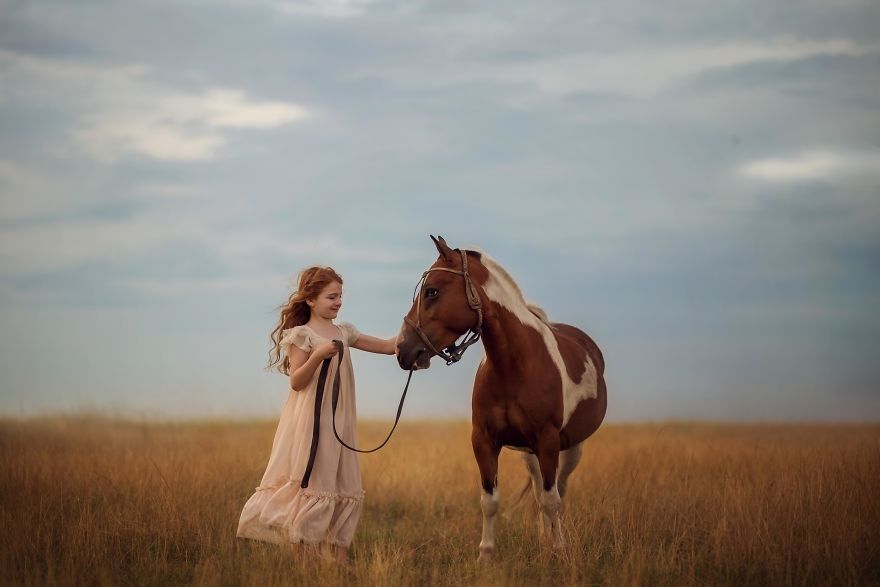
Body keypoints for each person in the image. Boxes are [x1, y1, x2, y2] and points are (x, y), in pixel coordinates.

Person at [236, 266, 398, 564]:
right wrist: (316, 356)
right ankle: (305, 551)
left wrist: (416, 327)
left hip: (340, 419)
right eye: (331, 297)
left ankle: (338, 552)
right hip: (312, 421)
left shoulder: (344, 331)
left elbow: (389, 347)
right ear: (311, 300)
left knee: (342, 478)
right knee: (315, 477)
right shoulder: (302, 335)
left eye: (340, 297)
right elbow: (297, 381)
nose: (338, 302)